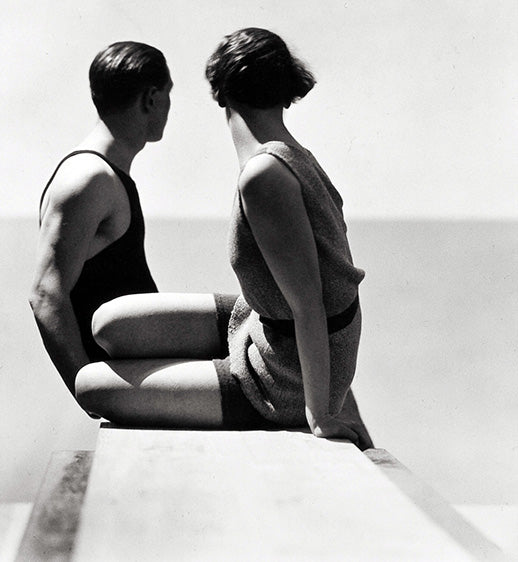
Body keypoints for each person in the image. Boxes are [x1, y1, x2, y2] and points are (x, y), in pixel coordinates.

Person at [75, 28, 373, 448]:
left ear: (221, 91)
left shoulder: (265, 174)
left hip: (284, 374)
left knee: (92, 384)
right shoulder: (285, 154)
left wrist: (319, 415)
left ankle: (223, 382)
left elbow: (310, 303)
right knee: (109, 321)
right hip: (263, 323)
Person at [30, 41, 173, 403]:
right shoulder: (91, 177)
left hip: (138, 373)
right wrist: (90, 390)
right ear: (151, 98)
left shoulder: (104, 176)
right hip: (128, 382)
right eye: (168, 96)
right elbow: (47, 294)